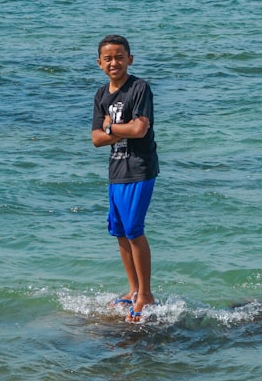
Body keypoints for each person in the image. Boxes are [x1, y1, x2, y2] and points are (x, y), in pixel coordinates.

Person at [91, 34, 159, 323]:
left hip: (141, 168)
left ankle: (146, 294)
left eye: (119, 56)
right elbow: (95, 139)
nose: (114, 62)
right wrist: (115, 130)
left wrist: (111, 127)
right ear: (99, 63)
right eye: (108, 58)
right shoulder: (101, 95)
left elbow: (140, 130)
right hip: (116, 171)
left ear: (130, 59)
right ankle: (132, 291)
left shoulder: (139, 88)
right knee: (119, 231)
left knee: (134, 229)